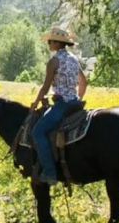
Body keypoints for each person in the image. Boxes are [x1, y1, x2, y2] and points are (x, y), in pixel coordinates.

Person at [26, 25, 87, 183]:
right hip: (74, 102)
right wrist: (78, 98)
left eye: (51, 41)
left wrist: (35, 103)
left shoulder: (54, 62)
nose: (49, 44)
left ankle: (50, 172)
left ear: (58, 43)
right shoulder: (74, 59)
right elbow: (83, 81)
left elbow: (46, 86)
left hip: (62, 104)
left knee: (38, 132)